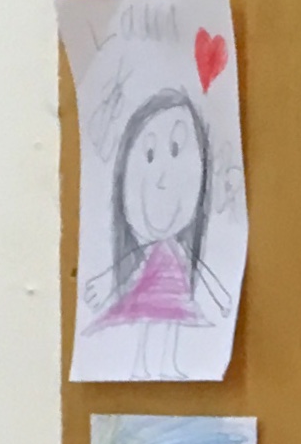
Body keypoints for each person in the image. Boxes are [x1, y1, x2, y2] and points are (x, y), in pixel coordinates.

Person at [83, 89, 233, 377]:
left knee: (168, 327)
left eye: (177, 150)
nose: (163, 178)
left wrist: (221, 297)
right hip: (151, 287)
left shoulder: (179, 252)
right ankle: (144, 367)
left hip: (172, 289)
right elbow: (129, 267)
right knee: (151, 323)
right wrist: (105, 282)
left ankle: (166, 365)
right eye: (149, 156)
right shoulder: (150, 253)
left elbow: (203, 271)